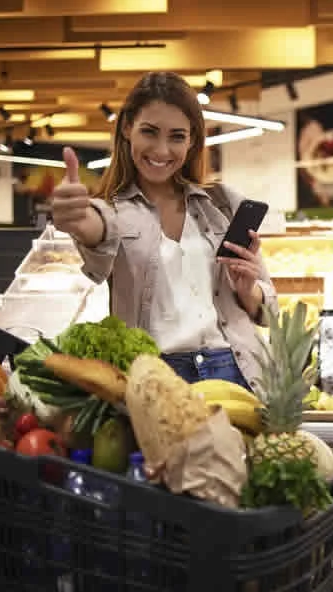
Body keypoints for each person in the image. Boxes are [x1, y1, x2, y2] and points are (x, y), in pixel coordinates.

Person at [47, 71, 277, 391]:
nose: (161, 150)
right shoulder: (112, 211)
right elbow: (98, 230)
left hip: (237, 370)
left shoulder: (222, 206)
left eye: (177, 136)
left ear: (193, 140)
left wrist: (247, 290)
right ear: (127, 128)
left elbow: (270, 312)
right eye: (150, 132)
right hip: (157, 375)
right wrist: (77, 219)